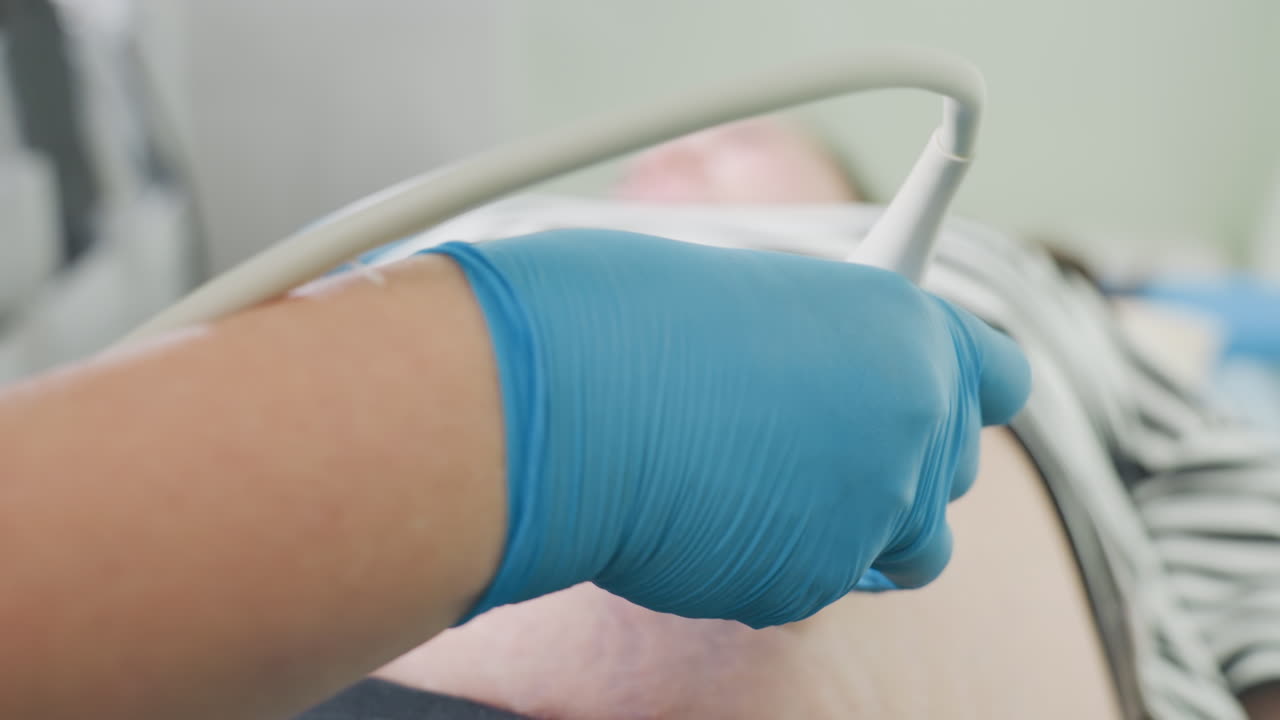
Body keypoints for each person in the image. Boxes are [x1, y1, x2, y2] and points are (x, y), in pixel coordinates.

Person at [0, 118, 1031, 718]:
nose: (685, 152)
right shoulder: (461, 243)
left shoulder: (988, 282)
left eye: (746, 140)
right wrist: (530, 398)